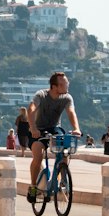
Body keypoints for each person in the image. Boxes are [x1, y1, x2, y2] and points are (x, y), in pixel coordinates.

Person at [26, 73, 81, 203]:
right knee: (38, 156)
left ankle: (62, 178)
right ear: (54, 86)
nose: (67, 86)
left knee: (65, 150)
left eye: (67, 83)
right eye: (63, 84)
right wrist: (33, 128)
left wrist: (76, 129)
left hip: (54, 128)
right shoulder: (41, 95)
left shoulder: (66, 98)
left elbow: (71, 112)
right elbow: (31, 108)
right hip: (38, 130)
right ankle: (33, 187)